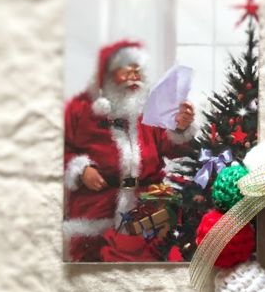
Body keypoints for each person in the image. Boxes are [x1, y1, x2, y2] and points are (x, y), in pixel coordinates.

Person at [63, 40, 197, 262]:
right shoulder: (82, 111)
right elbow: (59, 151)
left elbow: (174, 148)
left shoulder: (149, 113)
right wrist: (81, 170)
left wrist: (180, 127)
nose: (134, 77)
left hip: (145, 212)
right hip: (97, 212)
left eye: (138, 72)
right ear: (107, 76)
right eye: (127, 71)